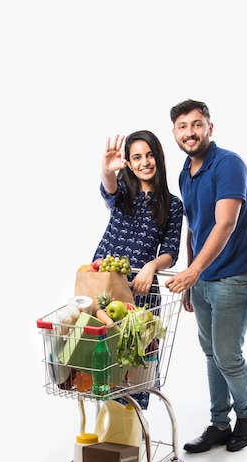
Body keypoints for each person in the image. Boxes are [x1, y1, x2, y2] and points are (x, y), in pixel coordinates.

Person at [165, 99, 247, 452]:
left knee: (227, 355)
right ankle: (220, 423)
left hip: (236, 277)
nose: (189, 132)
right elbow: (195, 228)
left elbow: (225, 223)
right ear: (175, 132)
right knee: (210, 353)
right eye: (182, 127)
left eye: (196, 124)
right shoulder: (185, 172)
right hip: (205, 279)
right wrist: (193, 280)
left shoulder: (229, 165)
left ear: (209, 127)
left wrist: (193, 271)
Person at [93, 130, 183, 408]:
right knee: (101, 366)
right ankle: (108, 440)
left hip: (140, 292)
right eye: (136, 157)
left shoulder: (173, 205)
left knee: (133, 371)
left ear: (159, 157)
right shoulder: (123, 195)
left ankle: (128, 439)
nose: (145, 162)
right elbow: (109, 188)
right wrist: (107, 171)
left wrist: (151, 267)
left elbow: (171, 251)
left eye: (149, 155)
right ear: (129, 164)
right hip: (104, 284)